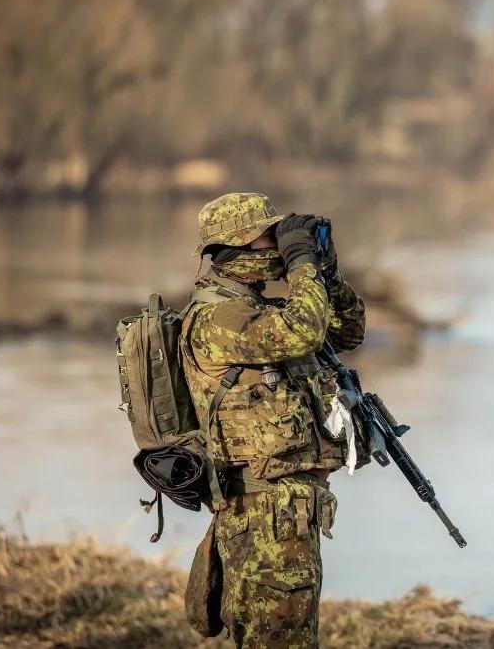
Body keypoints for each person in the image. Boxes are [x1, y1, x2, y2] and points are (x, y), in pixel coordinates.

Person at [181, 192, 365, 647]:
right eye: (274, 236)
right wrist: (301, 262)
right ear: (242, 246)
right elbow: (303, 329)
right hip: (264, 514)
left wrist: (326, 269)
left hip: (283, 513)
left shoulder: (257, 311)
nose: (281, 246)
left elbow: (348, 332)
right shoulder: (220, 320)